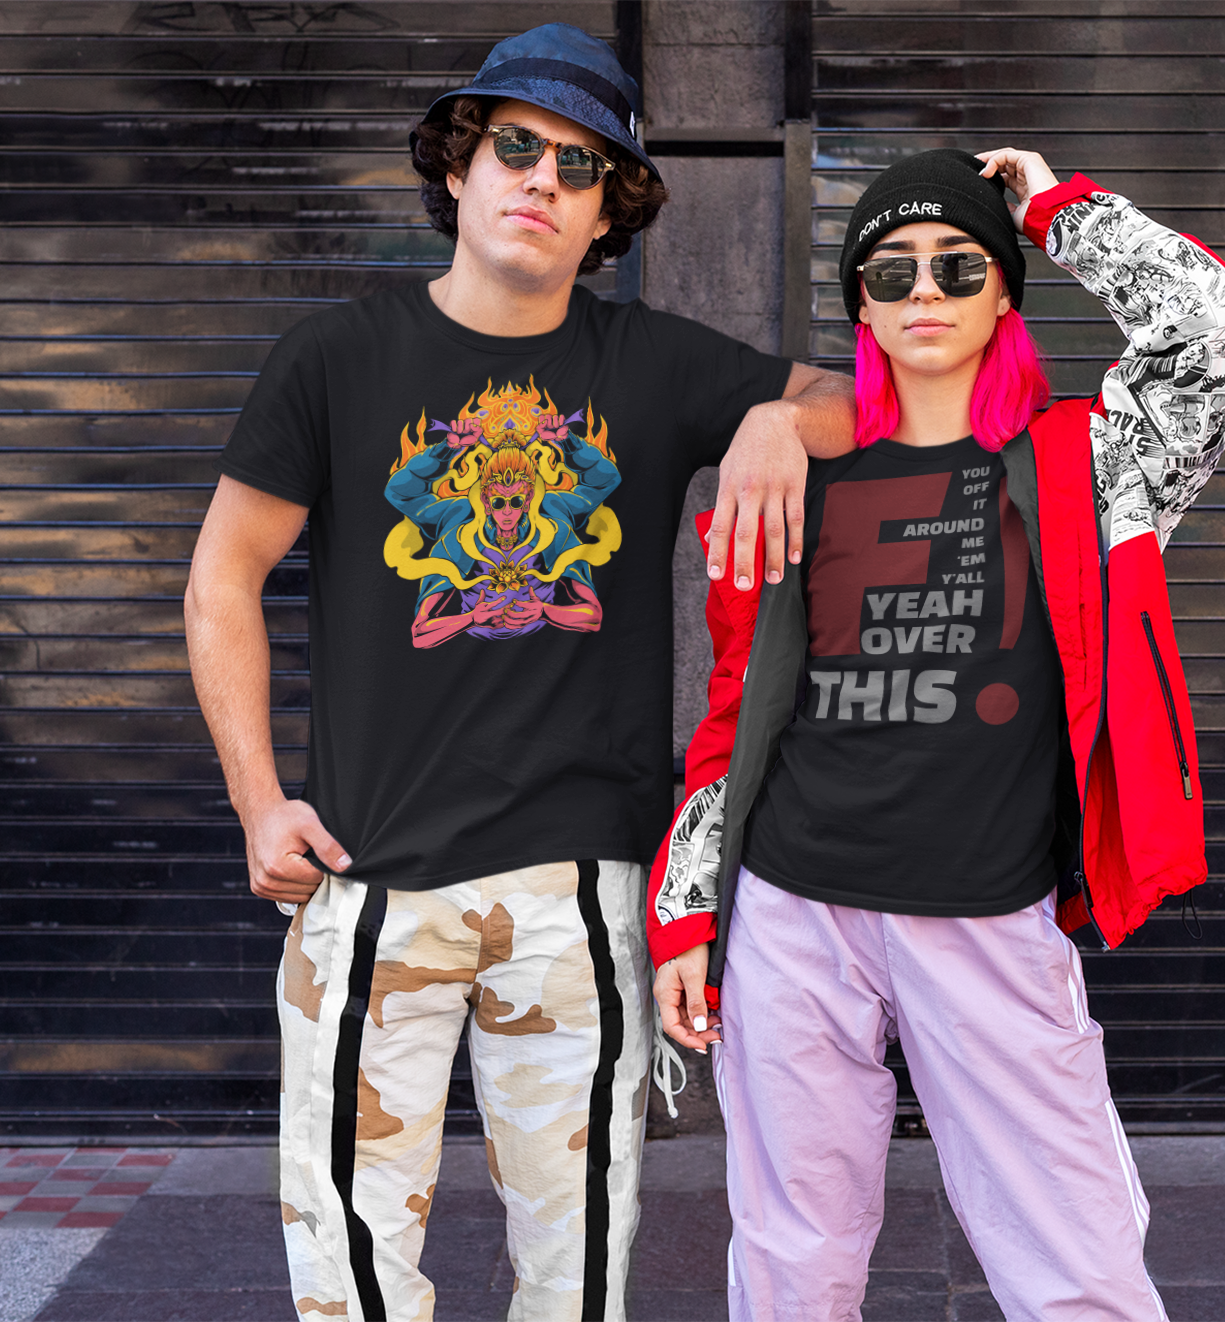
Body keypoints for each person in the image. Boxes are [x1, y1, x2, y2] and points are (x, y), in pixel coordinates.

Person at [183, 22, 855, 1322]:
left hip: (579, 900)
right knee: (351, 1277)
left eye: (581, 164)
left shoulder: (652, 364)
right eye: (516, 145)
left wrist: (777, 409)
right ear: (458, 164)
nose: (543, 177)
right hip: (367, 887)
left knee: (578, 1279)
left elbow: (874, 403)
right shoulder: (333, 362)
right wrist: (260, 799)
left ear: (612, 209)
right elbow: (221, 578)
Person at [647, 147, 1225, 1319]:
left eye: (959, 264)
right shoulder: (788, 480)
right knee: (788, 1249)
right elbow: (736, 706)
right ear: (861, 304)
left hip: (985, 911)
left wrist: (1048, 205)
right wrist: (686, 905)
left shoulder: (1091, 461)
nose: (924, 290)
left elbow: (1207, 329)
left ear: (1003, 291)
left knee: (1078, 1257)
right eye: (891, 272)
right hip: (793, 913)